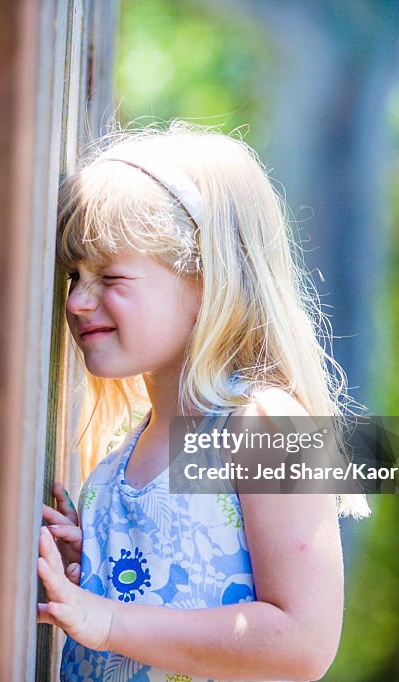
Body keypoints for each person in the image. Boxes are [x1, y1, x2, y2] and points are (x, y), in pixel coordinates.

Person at [37, 122, 371, 681]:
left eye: (110, 275)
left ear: (206, 282)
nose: (76, 300)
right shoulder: (124, 452)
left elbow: (303, 641)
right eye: (74, 275)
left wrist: (108, 619)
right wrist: (89, 570)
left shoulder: (263, 425)